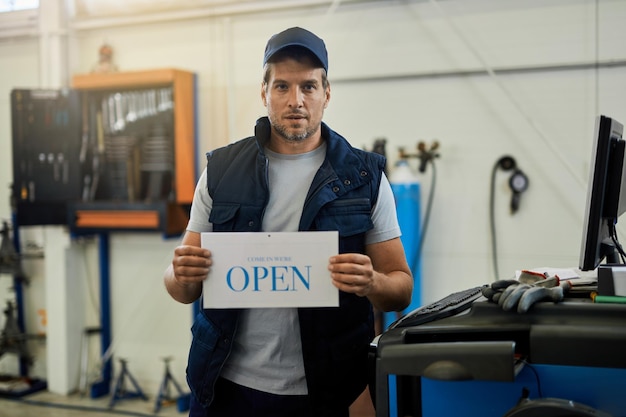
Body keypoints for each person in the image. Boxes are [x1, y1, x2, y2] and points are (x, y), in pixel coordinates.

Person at [163, 26, 413, 417]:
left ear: (326, 94)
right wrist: (180, 273)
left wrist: (373, 283)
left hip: (327, 391)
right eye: (282, 86)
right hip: (226, 388)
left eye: (308, 87)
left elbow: (400, 290)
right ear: (264, 93)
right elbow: (182, 289)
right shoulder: (221, 173)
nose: (296, 100)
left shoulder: (364, 178)